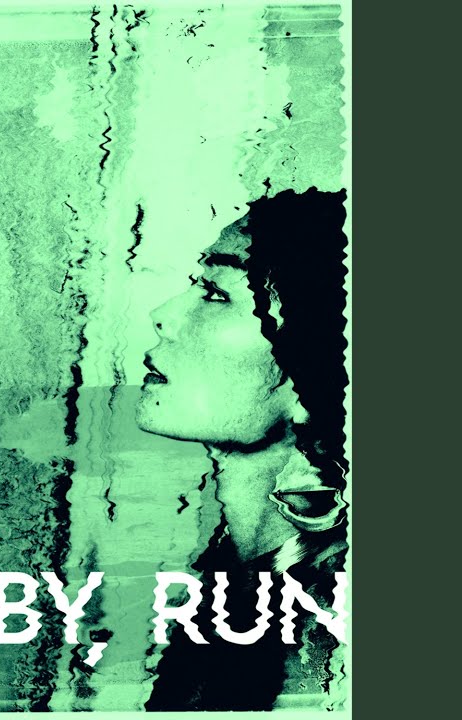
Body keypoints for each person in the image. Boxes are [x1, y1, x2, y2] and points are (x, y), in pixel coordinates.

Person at [136, 187, 350, 710]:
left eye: (216, 294)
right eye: (195, 285)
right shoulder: (222, 568)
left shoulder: (333, 640)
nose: (162, 314)